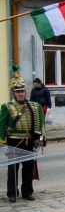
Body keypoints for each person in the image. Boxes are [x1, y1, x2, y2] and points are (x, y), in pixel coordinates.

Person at [1, 73, 45, 202]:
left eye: (22, 91)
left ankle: (27, 191)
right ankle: (12, 193)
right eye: (18, 92)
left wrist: (40, 140)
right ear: (13, 93)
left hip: (29, 141)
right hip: (13, 141)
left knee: (28, 168)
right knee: (13, 169)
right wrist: (2, 142)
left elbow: (40, 124)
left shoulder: (34, 107)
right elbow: (1, 124)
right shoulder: (6, 107)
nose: (20, 94)